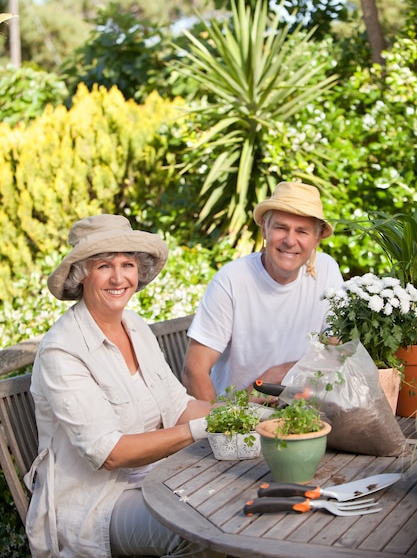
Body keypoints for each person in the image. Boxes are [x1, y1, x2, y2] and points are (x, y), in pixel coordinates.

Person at [24, 214, 223, 558]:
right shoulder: (63, 349)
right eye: (104, 266)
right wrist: (204, 428)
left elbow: (178, 406)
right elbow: (110, 453)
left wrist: (240, 414)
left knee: (240, 496)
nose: (119, 278)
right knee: (201, 527)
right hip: (96, 505)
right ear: (81, 274)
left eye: (127, 264)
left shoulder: (134, 325)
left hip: (159, 481)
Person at [182, 181, 344, 403]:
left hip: (306, 409)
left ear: (317, 238)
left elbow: (336, 348)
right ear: (264, 229)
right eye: (281, 227)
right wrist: (224, 422)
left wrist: (283, 372)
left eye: (302, 231)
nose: (290, 240)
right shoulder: (232, 280)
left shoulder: (327, 270)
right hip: (240, 417)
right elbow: (194, 371)